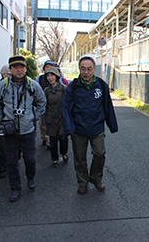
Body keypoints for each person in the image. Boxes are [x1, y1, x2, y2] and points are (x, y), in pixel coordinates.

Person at [0, 55, 46, 202]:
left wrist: (33, 116)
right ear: (10, 69)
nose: (19, 69)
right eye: (15, 67)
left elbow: (42, 101)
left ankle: (30, 178)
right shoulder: (3, 85)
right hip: (9, 131)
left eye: (22, 67)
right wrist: (0, 119)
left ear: (25, 68)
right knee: (11, 161)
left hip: (28, 129)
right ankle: (15, 187)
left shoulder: (32, 85)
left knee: (29, 159)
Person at [62, 56, 118, 194]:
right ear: (79, 69)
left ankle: (95, 178)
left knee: (100, 153)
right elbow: (65, 108)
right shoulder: (73, 87)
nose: (86, 72)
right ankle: (82, 182)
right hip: (78, 129)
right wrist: (69, 128)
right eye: (83, 69)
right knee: (79, 159)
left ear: (94, 69)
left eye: (89, 69)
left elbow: (107, 106)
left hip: (97, 127)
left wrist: (112, 126)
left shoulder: (101, 85)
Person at [41, 66, 68, 167]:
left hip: (62, 119)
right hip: (50, 119)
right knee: (52, 142)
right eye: (48, 75)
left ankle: (64, 153)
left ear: (57, 76)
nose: (50, 77)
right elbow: (44, 107)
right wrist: (43, 121)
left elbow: (69, 105)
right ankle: (55, 159)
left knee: (63, 139)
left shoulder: (64, 89)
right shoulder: (46, 91)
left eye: (52, 75)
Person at [36, 60, 54, 148]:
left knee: (50, 122)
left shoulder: (56, 78)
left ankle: (48, 141)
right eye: (47, 67)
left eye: (50, 66)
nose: (48, 68)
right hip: (42, 103)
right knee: (42, 123)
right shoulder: (39, 79)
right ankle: (44, 138)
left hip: (52, 103)